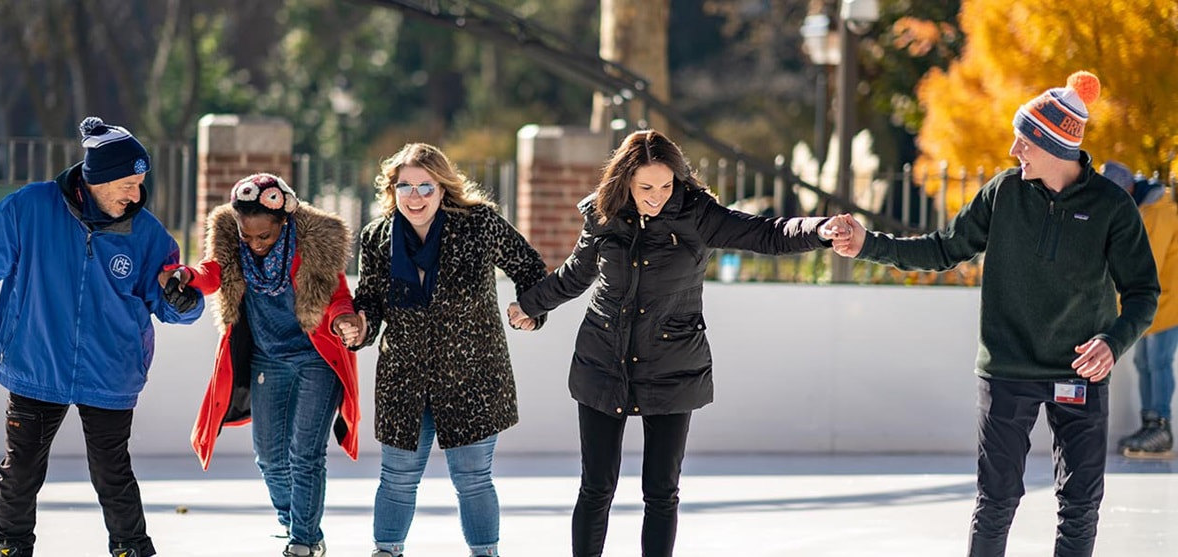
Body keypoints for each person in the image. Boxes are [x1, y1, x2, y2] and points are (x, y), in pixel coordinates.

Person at [831, 71, 1159, 556]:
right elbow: (944, 248)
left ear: (1054, 146)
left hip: (1079, 372)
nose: (1013, 150)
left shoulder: (1112, 207)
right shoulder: (1003, 192)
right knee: (996, 500)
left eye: (1024, 140)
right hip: (1007, 370)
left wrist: (1113, 342)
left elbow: (1143, 293)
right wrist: (868, 244)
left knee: (1080, 504)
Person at [507, 129, 851, 557]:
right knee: (596, 487)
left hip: (672, 363)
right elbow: (577, 273)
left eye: (666, 186)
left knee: (661, 490)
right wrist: (531, 305)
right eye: (645, 188)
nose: (657, 197)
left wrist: (819, 229)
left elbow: (765, 233)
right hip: (603, 359)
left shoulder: (697, 214)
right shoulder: (604, 214)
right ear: (625, 181)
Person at [0, 117, 205, 557]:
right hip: (37, 361)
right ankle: (11, 544)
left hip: (111, 369)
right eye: (128, 185)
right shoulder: (32, 209)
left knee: (112, 471)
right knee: (21, 468)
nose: (136, 195)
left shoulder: (147, 234)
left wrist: (184, 301)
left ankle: (132, 548)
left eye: (140, 185)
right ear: (98, 179)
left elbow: (172, 301)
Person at [339, 143, 548, 557]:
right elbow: (371, 302)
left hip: (472, 376)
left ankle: (485, 552)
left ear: (443, 188)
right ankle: (386, 550)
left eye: (425, 187)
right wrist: (360, 327)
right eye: (405, 187)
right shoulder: (377, 237)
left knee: (473, 478)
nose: (415, 197)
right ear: (393, 190)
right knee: (397, 477)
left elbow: (529, 267)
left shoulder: (479, 225)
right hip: (404, 378)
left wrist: (530, 309)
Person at [173, 173, 363, 557]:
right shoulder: (233, 243)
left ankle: (304, 541)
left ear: (284, 220)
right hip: (268, 359)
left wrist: (345, 318)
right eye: (248, 236)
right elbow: (212, 272)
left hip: (315, 358)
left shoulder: (314, 245)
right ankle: (296, 524)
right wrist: (186, 276)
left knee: (305, 453)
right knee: (270, 457)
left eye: (265, 235)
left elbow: (339, 295)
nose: (256, 244)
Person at [1101, 161, 1176, 458]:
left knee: (1159, 361)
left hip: (1169, 302)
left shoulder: (1159, 211)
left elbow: (1147, 264)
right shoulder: (1143, 209)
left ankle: (1161, 427)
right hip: (1152, 303)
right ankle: (1149, 424)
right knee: (1144, 362)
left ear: (1129, 189)